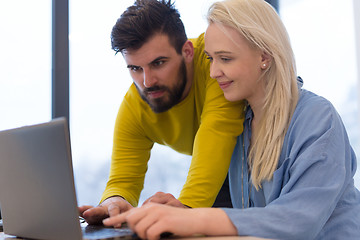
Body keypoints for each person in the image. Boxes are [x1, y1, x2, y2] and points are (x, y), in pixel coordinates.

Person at [102, 0, 360, 239]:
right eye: (210, 59)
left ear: (264, 56)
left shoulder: (318, 119)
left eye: (225, 59)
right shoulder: (242, 130)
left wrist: (193, 217)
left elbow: (299, 220)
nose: (213, 73)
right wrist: (174, 212)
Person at [79, 0, 245, 224]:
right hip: (219, 174)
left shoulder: (213, 63)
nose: (147, 82)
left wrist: (185, 209)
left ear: (187, 51)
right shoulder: (135, 106)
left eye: (158, 63)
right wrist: (113, 202)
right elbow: (122, 179)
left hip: (260, 161)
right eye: (135, 68)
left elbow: (219, 130)